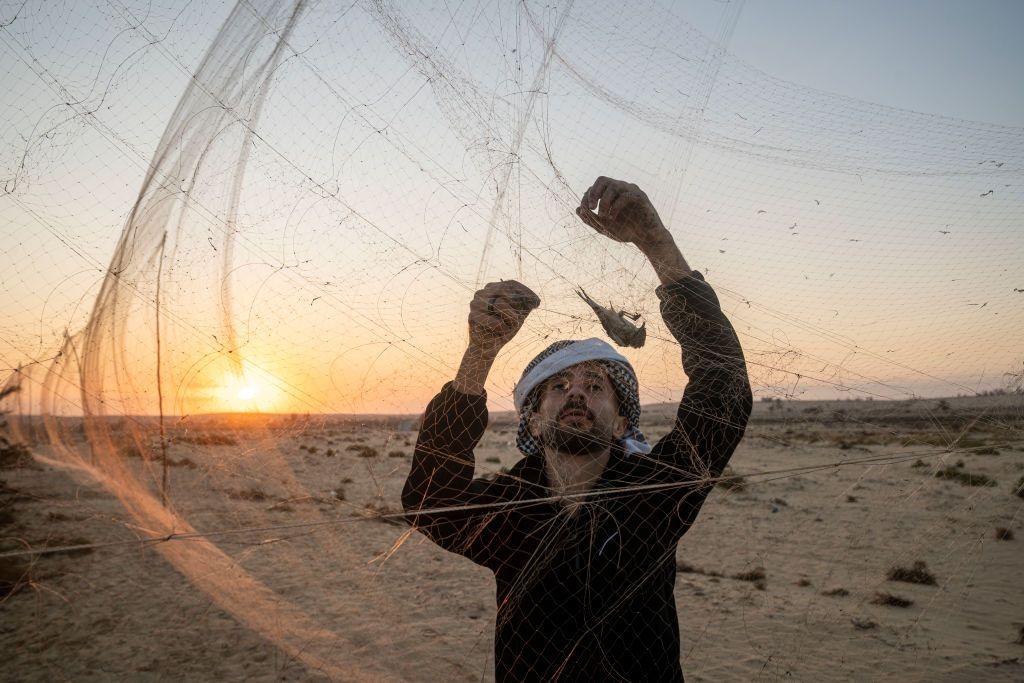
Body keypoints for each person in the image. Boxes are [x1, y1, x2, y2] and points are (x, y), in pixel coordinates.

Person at [403, 177, 753, 681]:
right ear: (532, 417)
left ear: (623, 422)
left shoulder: (654, 496)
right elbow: (428, 501)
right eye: (559, 385)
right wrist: (479, 352)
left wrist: (655, 242)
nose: (577, 393)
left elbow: (724, 391)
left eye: (596, 386)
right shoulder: (510, 513)